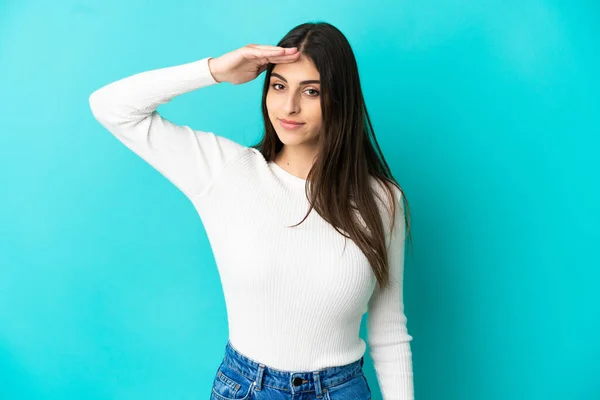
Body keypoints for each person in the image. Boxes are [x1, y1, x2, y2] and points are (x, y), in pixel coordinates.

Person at [89, 21, 414, 400]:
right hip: (249, 389)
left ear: (340, 98)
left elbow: (389, 332)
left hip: (342, 390)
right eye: (279, 86)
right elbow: (110, 107)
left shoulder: (382, 200)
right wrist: (215, 70)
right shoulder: (224, 171)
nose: (289, 106)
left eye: (311, 91)